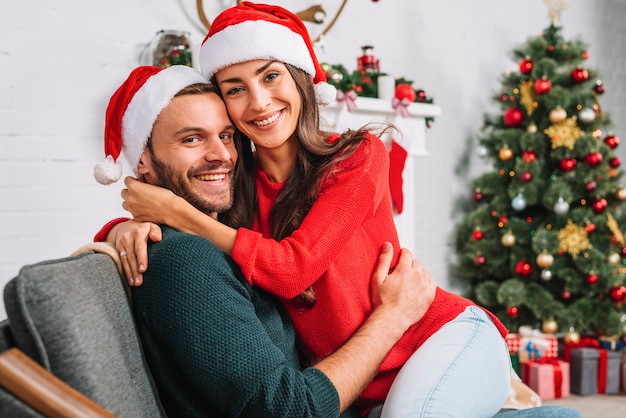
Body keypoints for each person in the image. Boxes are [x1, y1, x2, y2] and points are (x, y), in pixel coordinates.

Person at [97, 4, 581, 418]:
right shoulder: (235, 184)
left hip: (437, 336)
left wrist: (176, 215)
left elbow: (292, 269)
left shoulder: (357, 156)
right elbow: (188, 246)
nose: (259, 101)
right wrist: (125, 227)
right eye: (235, 87)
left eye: (270, 76)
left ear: (300, 80)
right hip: (369, 382)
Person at [93, 64, 437, 417]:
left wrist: (121, 229)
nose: (221, 155)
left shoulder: (223, 230)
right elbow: (292, 410)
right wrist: (394, 315)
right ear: (143, 160)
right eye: (192, 139)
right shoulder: (187, 261)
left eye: (226, 136)